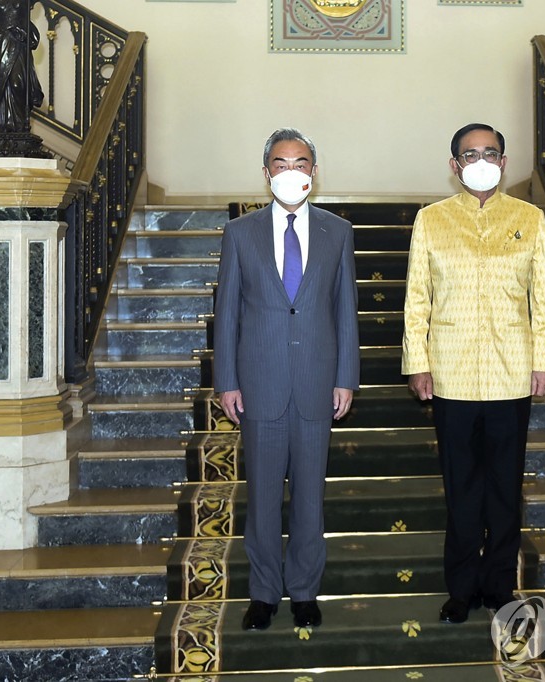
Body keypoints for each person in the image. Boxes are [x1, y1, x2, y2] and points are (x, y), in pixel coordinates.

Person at [402, 123, 545, 624]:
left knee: (504, 489)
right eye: (470, 154)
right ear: (455, 165)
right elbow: (416, 298)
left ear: (504, 160)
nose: (481, 159)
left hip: (512, 374)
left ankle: (500, 585)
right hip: (451, 375)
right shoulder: (431, 220)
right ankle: (461, 588)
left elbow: (543, 299)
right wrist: (417, 363)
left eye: (490, 151)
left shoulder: (529, 218)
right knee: (462, 489)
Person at [213, 128, 360, 631]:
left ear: (314, 173)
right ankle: (262, 592)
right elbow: (227, 312)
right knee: (262, 498)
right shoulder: (240, 233)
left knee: (310, 498)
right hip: (260, 386)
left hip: (318, 384)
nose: (291, 171)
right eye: (281, 163)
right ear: (266, 173)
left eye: (301, 163)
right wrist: (227, 380)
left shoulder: (337, 232)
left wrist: (346, 377)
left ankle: (304, 590)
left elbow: (345, 311)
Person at [0, 0, 44, 133]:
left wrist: (24, 34)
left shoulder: (24, 2)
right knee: (2, 86)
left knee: (18, 84)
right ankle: (5, 125)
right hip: (2, 43)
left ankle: (20, 125)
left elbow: (26, 24)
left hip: (18, 44)